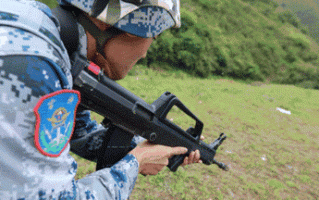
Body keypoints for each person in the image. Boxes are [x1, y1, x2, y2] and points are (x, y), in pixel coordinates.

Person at [0, 0, 203, 199]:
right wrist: (135, 163)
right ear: (109, 21)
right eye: (155, 35)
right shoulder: (33, 68)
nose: (145, 53)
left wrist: (149, 144)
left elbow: (77, 131)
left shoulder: (42, 34)